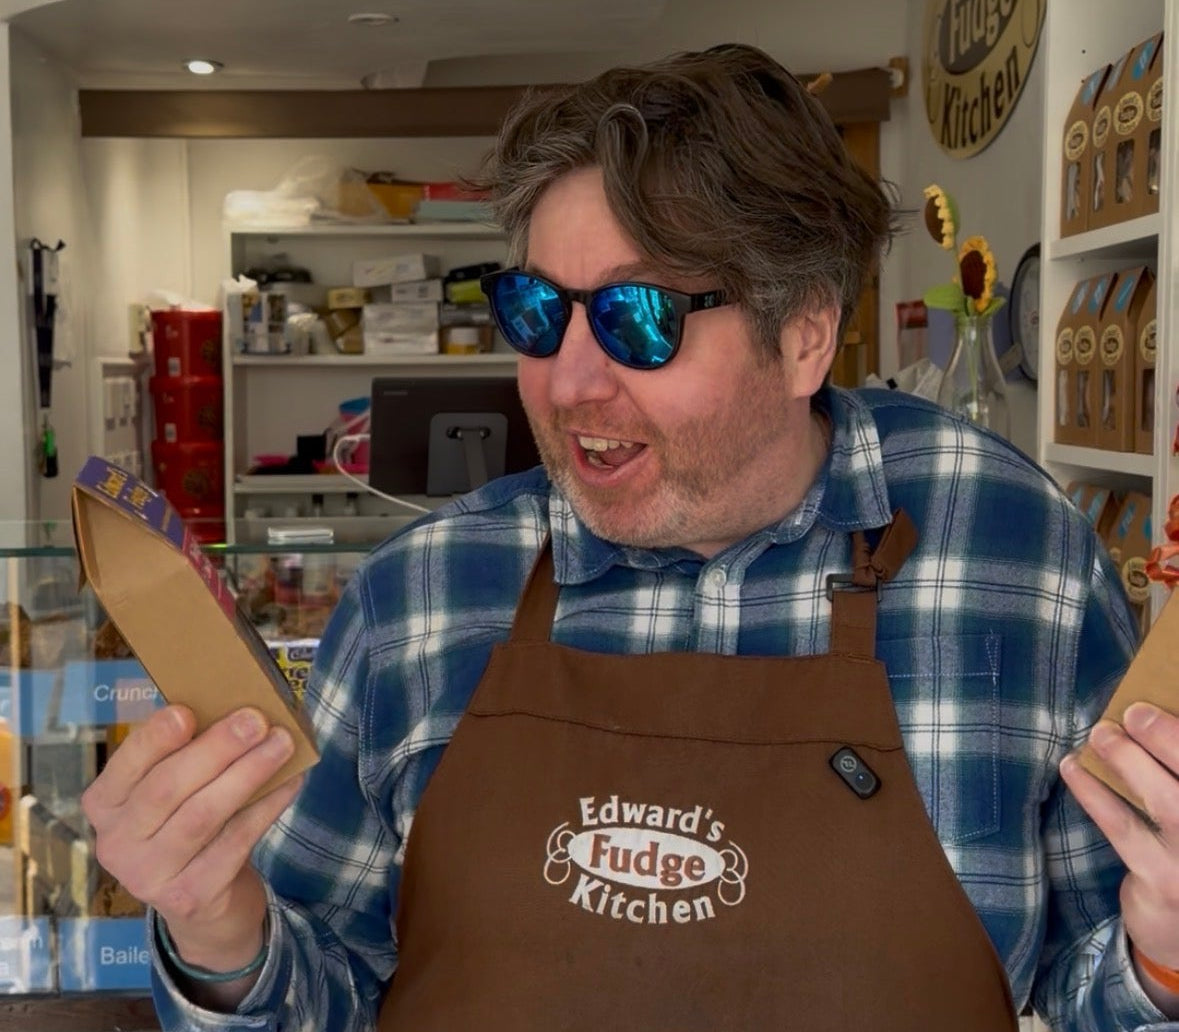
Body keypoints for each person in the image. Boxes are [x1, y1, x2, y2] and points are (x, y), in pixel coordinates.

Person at [81, 43, 1179, 1032]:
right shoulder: (422, 597)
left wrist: (1165, 958)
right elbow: (322, 998)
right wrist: (214, 923)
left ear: (803, 333)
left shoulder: (1013, 558)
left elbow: (1096, 987)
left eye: (637, 319)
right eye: (535, 311)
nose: (565, 382)